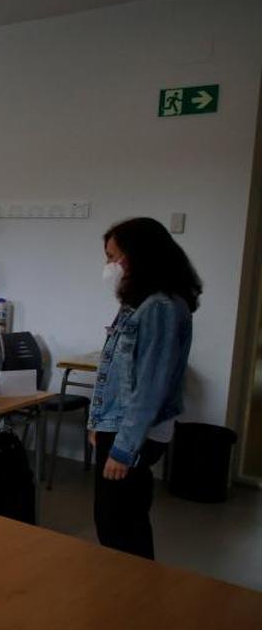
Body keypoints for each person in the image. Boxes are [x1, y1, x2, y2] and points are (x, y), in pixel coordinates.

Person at [87, 218, 200, 560]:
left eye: (113, 257)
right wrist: (97, 423)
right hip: (119, 425)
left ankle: (133, 598)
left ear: (137, 257)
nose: (109, 267)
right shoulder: (140, 302)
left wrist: (123, 448)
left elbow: (150, 386)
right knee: (116, 518)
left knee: (120, 524)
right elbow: (117, 373)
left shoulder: (161, 307)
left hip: (134, 433)